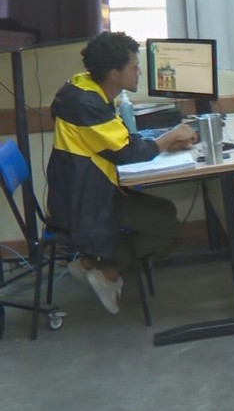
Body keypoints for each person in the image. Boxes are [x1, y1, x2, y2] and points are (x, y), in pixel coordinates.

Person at [47, 32, 196, 315]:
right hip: (87, 202)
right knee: (169, 230)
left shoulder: (86, 88)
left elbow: (115, 142)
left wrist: (163, 142)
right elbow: (125, 151)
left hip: (89, 188)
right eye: (133, 67)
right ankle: (108, 272)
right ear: (114, 73)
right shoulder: (86, 105)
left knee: (164, 209)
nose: (139, 71)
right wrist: (167, 138)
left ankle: (90, 263)